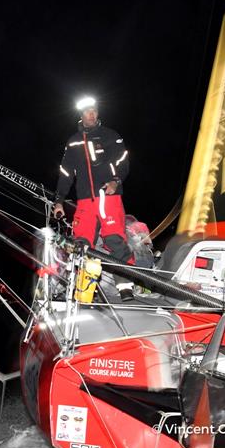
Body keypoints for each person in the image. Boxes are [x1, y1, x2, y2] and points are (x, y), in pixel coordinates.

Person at [52, 96, 135, 300]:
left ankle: (125, 287)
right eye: (87, 111)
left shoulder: (110, 135)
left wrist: (116, 181)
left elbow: (123, 162)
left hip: (108, 197)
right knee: (81, 244)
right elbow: (66, 173)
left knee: (115, 240)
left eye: (94, 111)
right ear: (81, 115)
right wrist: (59, 200)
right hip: (84, 201)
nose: (91, 114)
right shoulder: (73, 142)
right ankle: (82, 288)